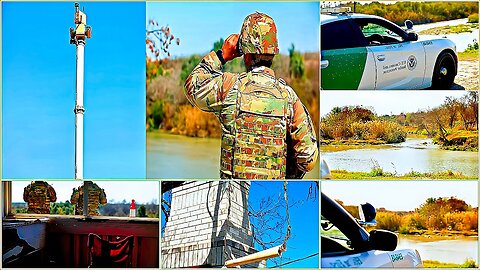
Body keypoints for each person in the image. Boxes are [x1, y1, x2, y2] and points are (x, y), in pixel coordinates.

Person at [185, 12, 318, 179]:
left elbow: (192, 85)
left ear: (245, 54)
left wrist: (221, 56)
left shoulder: (229, 87)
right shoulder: (289, 97)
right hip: (270, 191)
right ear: (273, 53)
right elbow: (308, 160)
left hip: (231, 189)